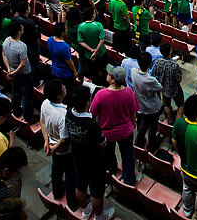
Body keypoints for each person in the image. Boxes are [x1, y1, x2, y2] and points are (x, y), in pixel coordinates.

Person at [67, 86, 114, 220]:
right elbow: (102, 143)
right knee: (96, 192)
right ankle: (99, 216)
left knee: (80, 185)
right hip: (94, 162)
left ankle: (86, 211)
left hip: (77, 157)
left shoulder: (68, 113)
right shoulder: (92, 125)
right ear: (88, 102)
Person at [90, 65, 139, 185]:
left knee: (109, 154)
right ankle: (129, 179)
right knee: (127, 155)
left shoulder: (101, 94)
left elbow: (92, 114)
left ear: (113, 80)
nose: (107, 74)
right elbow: (133, 113)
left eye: (109, 74)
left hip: (107, 133)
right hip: (126, 131)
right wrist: (132, 125)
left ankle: (111, 171)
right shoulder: (128, 92)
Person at [40, 79, 77, 208]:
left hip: (52, 146)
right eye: (63, 88)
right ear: (58, 95)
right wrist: (54, 147)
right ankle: (72, 202)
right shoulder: (63, 114)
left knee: (56, 172)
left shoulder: (45, 103)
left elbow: (42, 122)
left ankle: (57, 193)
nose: (65, 87)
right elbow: (64, 138)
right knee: (70, 176)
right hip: (65, 150)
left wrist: (47, 142)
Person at [2, 19, 36, 123]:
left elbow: (3, 55)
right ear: (18, 31)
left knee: (15, 92)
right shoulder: (22, 46)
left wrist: (9, 69)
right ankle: (28, 117)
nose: (23, 29)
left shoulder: (6, 40)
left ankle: (16, 111)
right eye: (21, 28)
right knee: (26, 96)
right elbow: (23, 63)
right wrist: (15, 72)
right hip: (23, 74)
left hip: (12, 71)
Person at [132, 51, 164, 150]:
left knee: (143, 124)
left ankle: (138, 142)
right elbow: (160, 88)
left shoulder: (133, 71)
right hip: (152, 108)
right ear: (150, 63)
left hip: (141, 105)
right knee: (152, 128)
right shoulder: (151, 80)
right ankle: (151, 146)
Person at [151, 41, 184, 121]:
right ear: (170, 51)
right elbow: (179, 79)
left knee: (166, 104)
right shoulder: (174, 65)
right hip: (175, 89)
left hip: (164, 88)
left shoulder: (158, 62)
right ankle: (178, 120)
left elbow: (155, 74)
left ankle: (169, 119)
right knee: (181, 104)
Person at [46, 22, 78, 99]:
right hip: (65, 74)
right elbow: (69, 62)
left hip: (54, 70)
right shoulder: (65, 47)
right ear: (62, 33)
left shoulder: (50, 40)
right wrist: (75, 71)